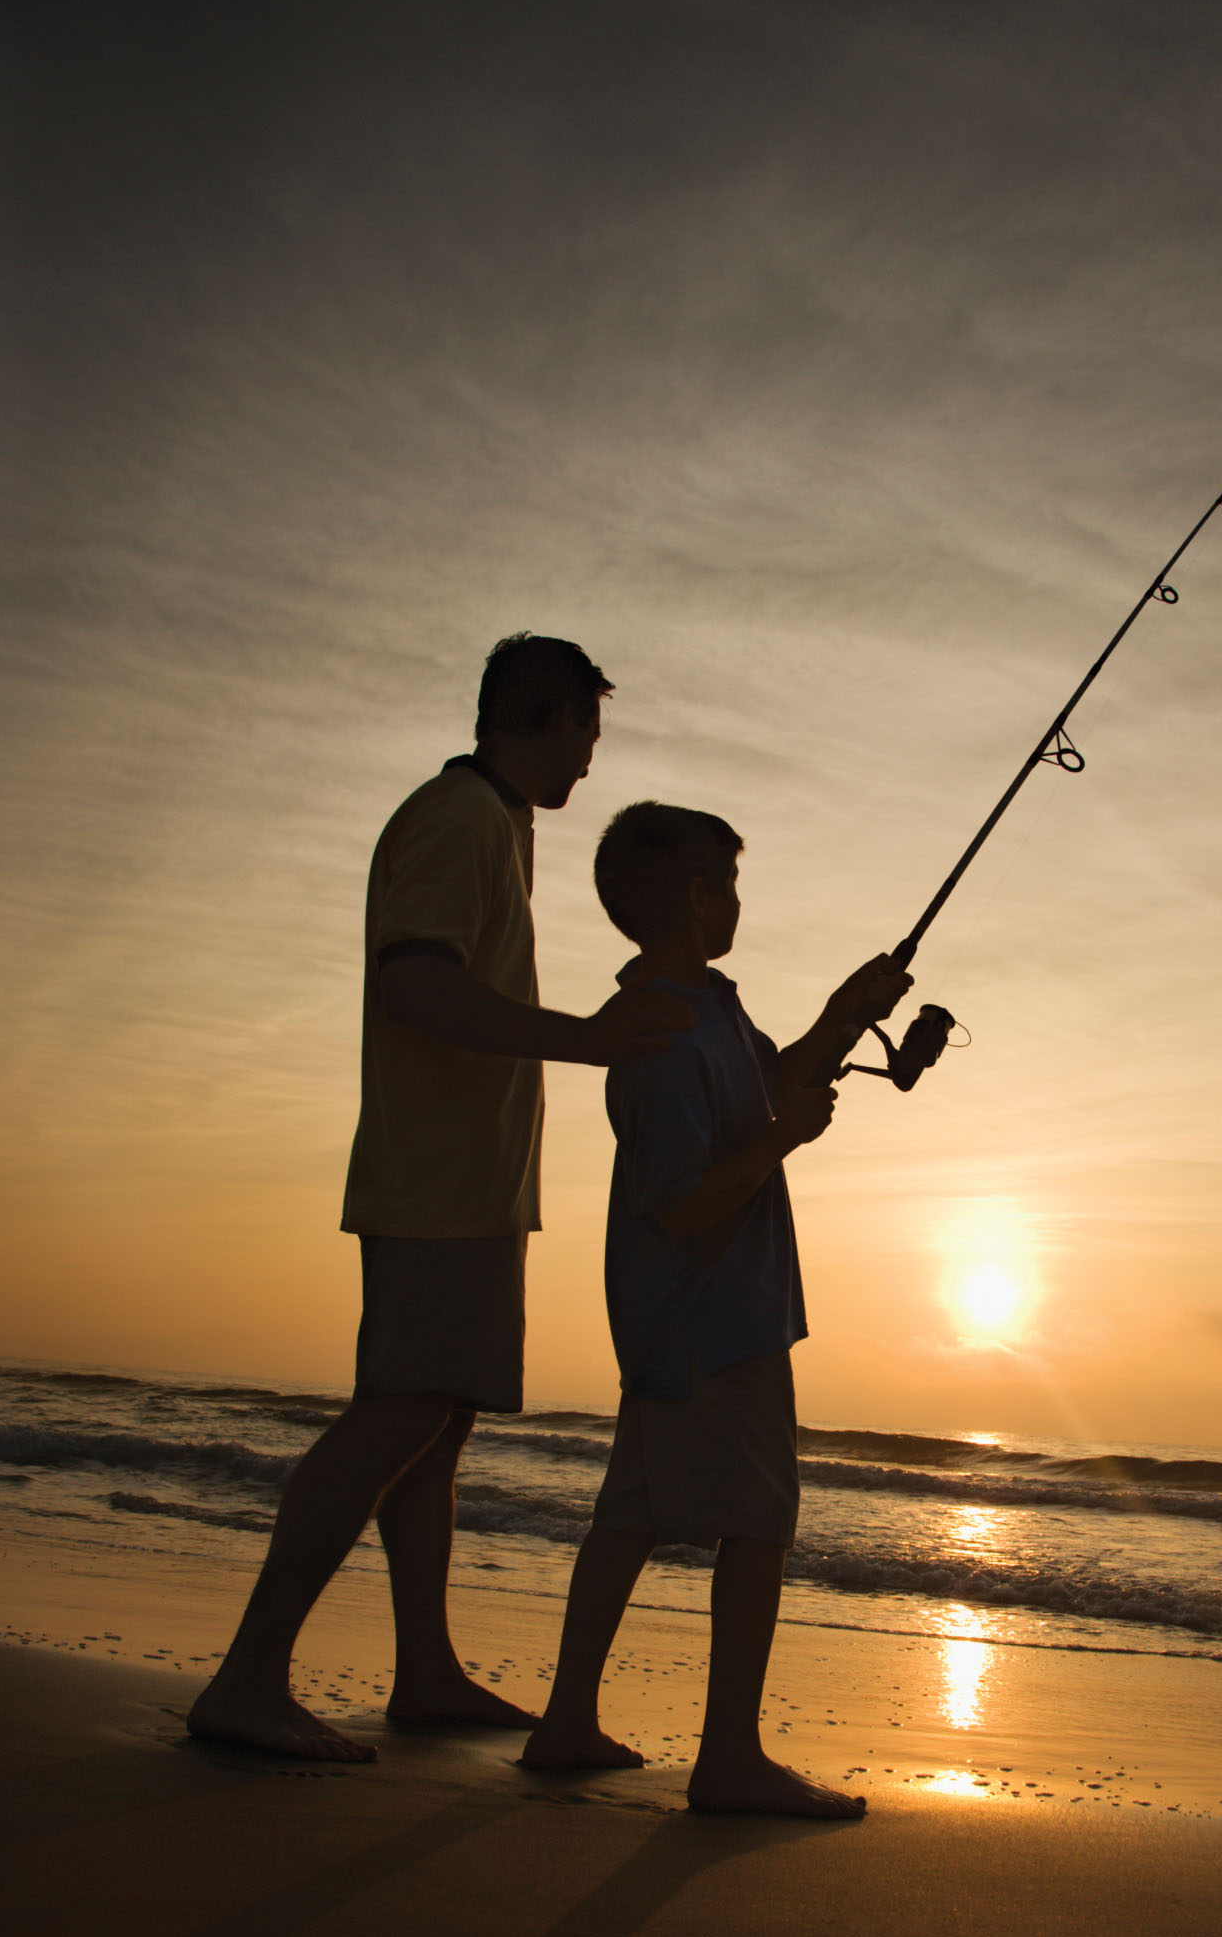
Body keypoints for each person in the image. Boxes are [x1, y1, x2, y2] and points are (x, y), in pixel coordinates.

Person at [188, 635, 692, 1762]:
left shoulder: (495, 826)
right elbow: (413, 982)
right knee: (404, 1408)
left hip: (469, 1179)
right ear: (548, 715)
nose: (589, 761)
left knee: (438, 1415)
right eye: (587, 734)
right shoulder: (454, 818)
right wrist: (586, 1040)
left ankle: (423, 1668)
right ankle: (247, 1674)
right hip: (432, 1175)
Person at [521, 801, 910, 1817]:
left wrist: (841, 1012)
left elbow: (770, 1085)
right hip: (712, 1323)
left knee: (633, 1512)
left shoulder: (704, 1009)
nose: (737, 899)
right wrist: (782, 1142)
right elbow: (686, 1203)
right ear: (696, 898)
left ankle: (565, 1719)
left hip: (673, 1324)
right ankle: (727, 1756)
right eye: (727, 884)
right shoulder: (658, 1036)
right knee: (757, 1520)